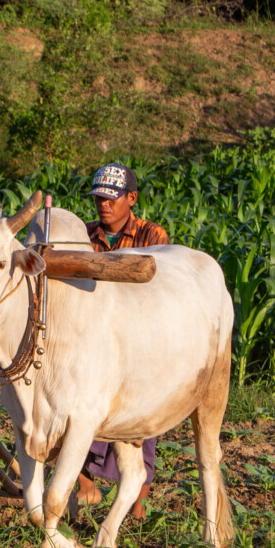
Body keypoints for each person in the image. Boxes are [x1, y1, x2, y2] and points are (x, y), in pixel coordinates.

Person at [78, 163, 168, 518]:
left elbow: (158, 287)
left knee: (144, 422)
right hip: (94, 340)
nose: (104, 204)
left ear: (131, 198)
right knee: (86, 410)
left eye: (111, 197)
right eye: (99, 197)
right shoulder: (82, 235)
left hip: (140, 342)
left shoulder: (152, 236)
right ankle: (86, 482)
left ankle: (138, 497)